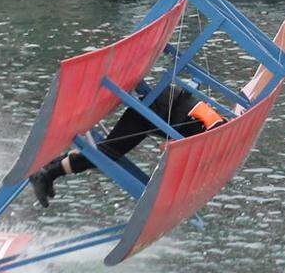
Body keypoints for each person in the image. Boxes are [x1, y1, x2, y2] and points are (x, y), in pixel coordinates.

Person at [29, 84, 226, 208]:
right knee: (106, 155)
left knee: (107, 152)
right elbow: (194, 116)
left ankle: (50, 168)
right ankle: (48, 172)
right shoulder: (215, 127)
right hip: (155, 110)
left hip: (160, 112)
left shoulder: (214, 132)